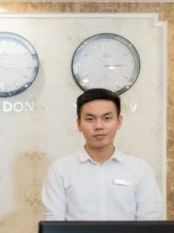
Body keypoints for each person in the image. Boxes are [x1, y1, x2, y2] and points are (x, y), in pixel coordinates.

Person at [41, 88, 163, 221]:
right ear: (79, 124)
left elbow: (150, 222)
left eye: (107, 118)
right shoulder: (59, 170)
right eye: (90, 119)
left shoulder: (140, 170)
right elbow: (54, 224)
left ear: (119, 122)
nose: (99, 126)